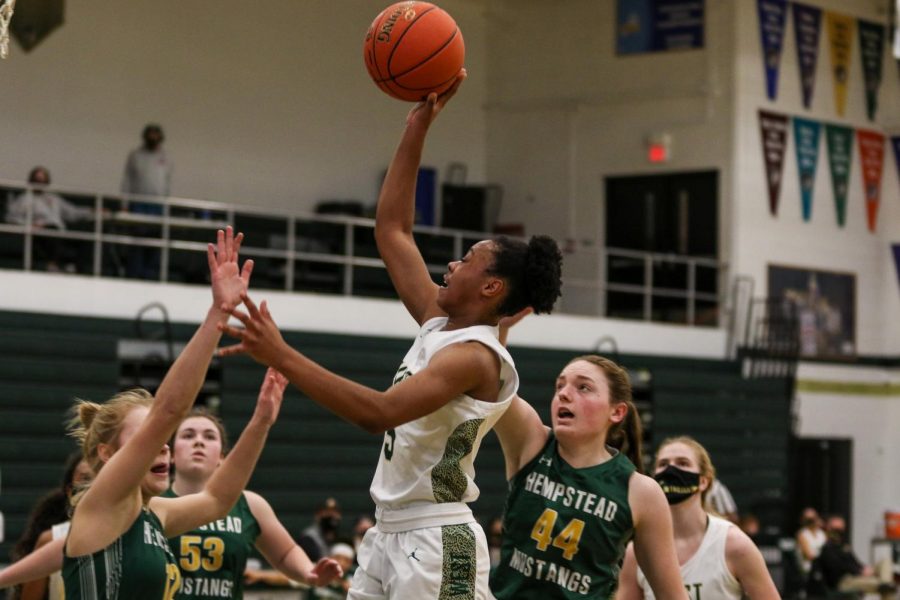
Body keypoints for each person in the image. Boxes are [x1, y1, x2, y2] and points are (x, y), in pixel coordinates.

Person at [218, 71, 564, 599]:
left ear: (491, 286)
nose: (451, 263)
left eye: (466, 259)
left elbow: (375, 413)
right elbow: (392, 231)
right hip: (388, 532)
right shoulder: (440, 321)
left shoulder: (475, 357)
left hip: (436, 535)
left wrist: (282, 354)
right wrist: (417, 126)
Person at [0, 227, 268, 600]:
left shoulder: (154, 514)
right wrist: (217, 315)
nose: (163, 448)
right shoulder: (104, 501)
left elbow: (218, 501)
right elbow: (170, 410)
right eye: (151, 438)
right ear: (107, 453)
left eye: (162, 442)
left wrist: (262, 422)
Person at [487, 353, 686, 599]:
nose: (564, 393)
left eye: (583, 387)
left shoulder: (640, 491)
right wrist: (498, 321)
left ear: (617, 412)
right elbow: (491, 376)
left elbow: (673, 595)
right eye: (560, 385)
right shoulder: (532, 443)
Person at [165, 406, 342, 599]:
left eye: (209, 437)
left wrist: (309, 572)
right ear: (171, 454)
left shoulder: (249, 504)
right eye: (188, 435)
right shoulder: (153, 502)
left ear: (223, 458)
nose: (199, 442)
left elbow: (285, 553)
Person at [617, 436, 780, 600]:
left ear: (703, 481)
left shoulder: (734, 545)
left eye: (683, 463)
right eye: (663, 464)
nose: (671, 470)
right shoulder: (638, 550)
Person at [8, 452, 92, 600]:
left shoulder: (131, 533)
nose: (92, 486)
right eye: (85, 479)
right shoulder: (52, 539)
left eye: (101, 477)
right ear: (69, 491)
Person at [5, 166, 94, 272]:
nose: (40, 182)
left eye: (43, 179)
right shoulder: (24, 199)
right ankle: (52, 265)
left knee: (87, 237)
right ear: (31, 180)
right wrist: (28, 225)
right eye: (37, 179)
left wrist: (93, 210)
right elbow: (11, 217)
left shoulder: (53, 198)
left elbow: (72, 212)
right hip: (39, 232)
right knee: (51, 230)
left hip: (60, 231)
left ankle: (77, 269)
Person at [120, 123, 171, 279]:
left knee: (155, 241)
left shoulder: (165, 158)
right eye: (150, 134)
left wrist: (165, 205)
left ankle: (151, 275)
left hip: (157, 206)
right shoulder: (135, 155)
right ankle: (134, 274)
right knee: (138, 240)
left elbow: (166, 183)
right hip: (139, 203)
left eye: (156, 135)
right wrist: (125, 204)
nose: (153, 138)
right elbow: (127, 180)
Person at [810, 514, 896, 599]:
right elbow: (837, 568)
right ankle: (885, 584)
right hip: (844, 581)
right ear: (829, 528)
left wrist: (864, 568)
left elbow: (854, 561)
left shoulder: (845, 546)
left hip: (857, 575)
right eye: (836, 529)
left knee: (885, 561)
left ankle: (885, 582)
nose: (838, 532)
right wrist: (859, 571)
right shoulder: (826, 548)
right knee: (886, 587)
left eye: (841, 529)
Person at [298, 497, 343, 562]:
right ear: (317, 515)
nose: (332, 515)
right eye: (327, 512)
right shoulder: (308, 537)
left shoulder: (340, 536)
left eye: (335, 512)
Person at [795, 507, 826, 582]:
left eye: (813, 519)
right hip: (809, 568)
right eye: (809, 520)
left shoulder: (821, 533)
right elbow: (808, 555)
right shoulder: (802, 534)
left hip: (823, 565)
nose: (811, 522)